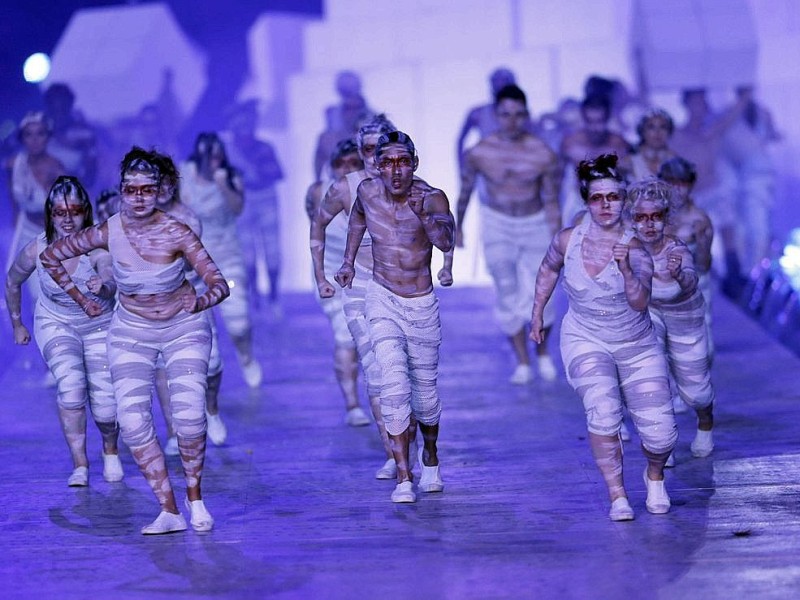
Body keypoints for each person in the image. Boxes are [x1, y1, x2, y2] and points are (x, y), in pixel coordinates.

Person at [41, 147, 230, 535]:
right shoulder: (107, 230)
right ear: (121, 191)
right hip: (130, 330)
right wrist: (82, 299)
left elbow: (219, 282)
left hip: (183, 328)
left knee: (190, 418)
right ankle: (169, 509)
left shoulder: (177, 230)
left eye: (147, 189)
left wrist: (202, 300)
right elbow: (51, 256)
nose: (139, 197)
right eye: (131, 190)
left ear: (159, 191)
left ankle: (196, 499)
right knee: (131, 422)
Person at [529, 154, 677, 521]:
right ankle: (618, 495)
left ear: (624, 199)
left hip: (636, 344)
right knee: (604, 411)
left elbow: (640, 302)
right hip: (585, 337)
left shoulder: (637, 246)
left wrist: (625, 267)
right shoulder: (568, 240)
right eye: (598, 198)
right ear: (587, 201)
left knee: (661, 435)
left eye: (613, 196)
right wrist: (537, 314)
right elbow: (548, 269)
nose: (606, 205)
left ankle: (654, 475)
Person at [336, 131, 455, 504]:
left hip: (420, 301)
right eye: (387, 162)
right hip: (382, 295)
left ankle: (430, 457)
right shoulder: (368, 193)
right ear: (376, 165)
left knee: (424, 394)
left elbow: (447, 241)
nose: (395, 169)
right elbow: (357, 220)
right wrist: (347, 262)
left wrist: (426, 217)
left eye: (403, 161)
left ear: (414, 163)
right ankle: (404, 476)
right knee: (392, 383)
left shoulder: (431, 195)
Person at [5, 175, 122, 486]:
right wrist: (17, 323)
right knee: (70, 387)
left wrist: (106, 286)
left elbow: (109, 276)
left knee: (106, 403)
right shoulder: (36, 249)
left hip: (98, 324)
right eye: (60, 212)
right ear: (50, 213)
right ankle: (80, 464)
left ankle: (110, 450)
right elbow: (12, 281)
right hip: (56, 322)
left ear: (85, 211)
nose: (68, 219)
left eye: (75, 211)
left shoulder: (96, 247)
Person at [311, 114, 399, 478]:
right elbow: (316, 227)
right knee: (375, 370)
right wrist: (321, 276)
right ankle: (395, 455)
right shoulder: (334, 191)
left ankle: (422, 454)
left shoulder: (414, 186)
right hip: (351, 282)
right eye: (365, 152)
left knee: (406, 376)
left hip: (404, 289)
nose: (371, 158)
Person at [456, 84, 561, 384]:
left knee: (543, 292)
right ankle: (523, 361)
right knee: (506, 289)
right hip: (497, 222)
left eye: (518, 114)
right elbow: (465, 192)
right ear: (496, 115)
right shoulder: (480, 152)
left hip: (535, 221)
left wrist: (558, 234)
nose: (511, 121)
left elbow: (551, 197)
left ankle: (542, 353)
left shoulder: (541, 153)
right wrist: (459, 227)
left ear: (526, 115)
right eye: (505, 114)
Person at [626, 178, 715, 459]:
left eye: (656, 217)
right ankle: (662, 444)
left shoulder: (676, 249)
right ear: (632, 219)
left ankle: (705, 424)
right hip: (649, 315)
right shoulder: (627, 249)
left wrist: (678, 275)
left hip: (685, 317)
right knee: (654, 379)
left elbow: (690, 280)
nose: (648, 224)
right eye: (641, 217)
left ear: (667, 219)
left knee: (696, 393)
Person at [146, 150, 227, 453]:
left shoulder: (187, 218)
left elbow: (189, 263)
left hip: (190, 298)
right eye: (157, 181)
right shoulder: (136, 218)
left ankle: (212, 409)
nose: (163, 188)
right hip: (153, 304)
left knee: (212, 363)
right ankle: (172, 433)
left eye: (168, 181)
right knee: (163, 366)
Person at [182, 132, 262, 388]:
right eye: (208, 155)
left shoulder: (230, 176)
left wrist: (222, 183)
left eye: (217, 155)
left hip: (227, 258)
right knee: (200, 326)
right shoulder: (183, 175)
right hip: (193, 263)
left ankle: (246, 355)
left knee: (238, 319)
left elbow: (238, 208)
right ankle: (207, 381)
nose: (213, 160)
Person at [306, 138, 372, 428]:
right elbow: (315, 230)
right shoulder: (320, 191)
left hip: (371, 273)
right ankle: (352, 403)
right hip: (334, 274)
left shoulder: (374, 190)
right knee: (345, 336)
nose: (345, 169)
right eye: (339, 164)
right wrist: (320, 276)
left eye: (352, 163)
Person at [670, 88, 748, 295]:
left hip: (715, 191)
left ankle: (735, 281)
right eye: (696, 102)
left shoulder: (712, 131)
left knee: (728, 233)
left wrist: (744, 96)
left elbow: (731, 116)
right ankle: (711, 283)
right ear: (687, 105)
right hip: (693, 197)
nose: (701, 107)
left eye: (703, 102)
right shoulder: (676, 137)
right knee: (696, 243)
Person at [223, 101, 285, 312]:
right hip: (242, 200)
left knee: (272, 250)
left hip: (266, 198)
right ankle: (255, 296)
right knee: (247, 251)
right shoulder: (227, 152)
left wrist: (252, 172)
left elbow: (275, 174)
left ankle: (274, 296)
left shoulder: (264, 147)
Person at [658, 157, 715, 365]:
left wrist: (702, 241)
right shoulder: (651, 216)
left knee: (702, 349)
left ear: (690, 184)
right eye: (670, 182)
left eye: (681, 183)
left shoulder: (699, 219)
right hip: (660, 288)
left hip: (695, 287)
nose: (676, 189)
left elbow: (704, 265)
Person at [4, 112, 66, 301]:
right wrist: (15, 222)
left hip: (52, 233)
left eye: (40, 134)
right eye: (29, 135)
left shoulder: (57, 168)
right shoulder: (13, 165)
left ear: (47, 137)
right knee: (30, 289)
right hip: (25, 230)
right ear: (22, 138)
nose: (34, 140)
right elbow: (12, 196)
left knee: (56, 288)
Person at [560, 94, 631, 225]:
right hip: (579, 203)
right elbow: (557, 179)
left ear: (608, 118)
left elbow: (631, 180)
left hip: (611, 204)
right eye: (590, 122)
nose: (594, 128)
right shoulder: (570, 143)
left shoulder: (620, 145)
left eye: (600, 122)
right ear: (583, 118)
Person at [313, 71, 373, 181]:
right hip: (340, 179)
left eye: (350, 88)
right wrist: (317, 180)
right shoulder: (333, 116)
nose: (348, 92)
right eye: (344, 88)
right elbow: (322, 152)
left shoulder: (372, 117)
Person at [43, 83, 98, 191]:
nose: (58, 112)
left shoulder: (84, 134)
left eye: (62, 107)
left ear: (70, 105)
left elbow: (91, 174)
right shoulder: (37, 132)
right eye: (54, 107)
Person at [630, 109, 677, 181]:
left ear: (669, 131)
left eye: (663, 127)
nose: (657, 132)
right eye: (651, 127)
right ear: (642, 131)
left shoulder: (676, 162)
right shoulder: (628, 162)